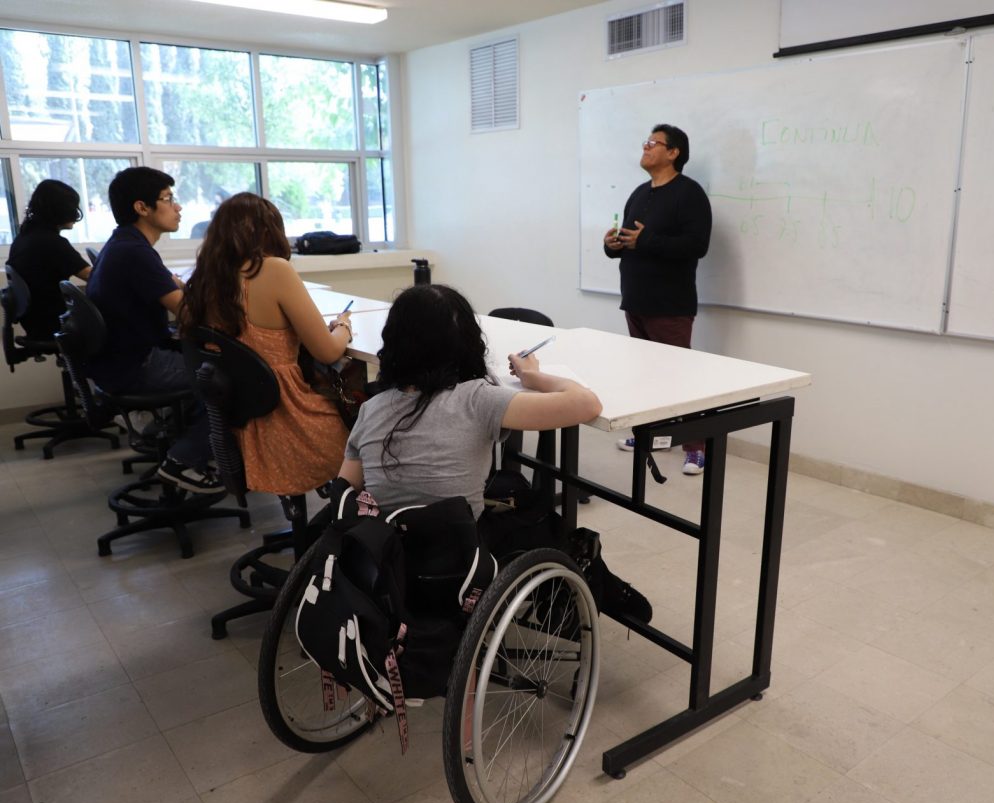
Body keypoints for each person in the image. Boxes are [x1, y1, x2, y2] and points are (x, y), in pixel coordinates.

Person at [337, 284, 602, 519]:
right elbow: (587, 404)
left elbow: (346, 491)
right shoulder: (478, 399)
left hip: (386, 548)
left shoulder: (370, 410)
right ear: (467, 340)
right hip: (458, 549)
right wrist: (533, 376)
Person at [180, 192, 352, 496]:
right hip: (291, 422)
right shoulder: (272, 269)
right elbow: (327, 351)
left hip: (241, 425)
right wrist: (343, 327)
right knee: (364, 410)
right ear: (268, 231)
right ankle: (356, 509)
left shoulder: (206, 279)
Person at [85, 166, 222, 494]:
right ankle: (183, 461)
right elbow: (188, 313)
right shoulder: (134, 253)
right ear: (141, 207)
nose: (178, 207)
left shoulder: (124, 244)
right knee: (231, 379)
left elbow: (173, 289)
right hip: (136, 365)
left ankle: (173, 435)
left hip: (117, 361)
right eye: (169, 199)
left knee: (208, 363)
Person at [603, 123, 713, 475]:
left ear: (673, 152)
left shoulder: (689, 193)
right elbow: (631, 242)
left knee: (679, 376)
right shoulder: (639, 192)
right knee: (644, 377)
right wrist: (612, 245)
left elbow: (697, 245)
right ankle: (649, 435)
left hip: (670, 303)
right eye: (646, 142)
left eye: (654, 143)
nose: (646, 147)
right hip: (635, 299)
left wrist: (645, 240)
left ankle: (696, 447)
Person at [5, 180, 92, 341]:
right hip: (56, 324)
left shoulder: (24, 237)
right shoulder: (52, 243)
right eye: (72, 207)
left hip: (35, 323)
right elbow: (93, 277)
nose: (76, 213)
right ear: (59, 210)